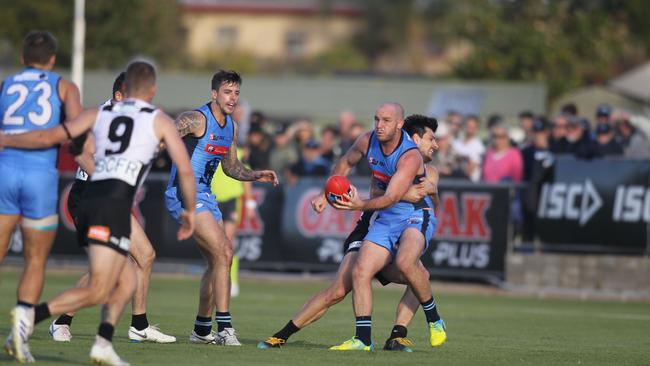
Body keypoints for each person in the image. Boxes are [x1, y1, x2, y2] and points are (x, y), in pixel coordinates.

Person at [1, 60, 196, 365]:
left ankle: (105, 342)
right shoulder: (158, 120)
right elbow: (184, 169)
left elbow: (50, 138)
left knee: (131, 275)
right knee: (99, 288)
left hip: (99, 199)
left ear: (125, 89)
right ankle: (31, 316)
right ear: (152, 90)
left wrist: (7, 139)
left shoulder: (97, 113)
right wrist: (191, 212)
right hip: (109, 201)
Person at [257, 112, 445, 352]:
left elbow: (432, 209)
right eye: (431, 139)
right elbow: (380, 194)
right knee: (338, 290)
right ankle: (283, 335)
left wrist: (432, 193)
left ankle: (397, 335)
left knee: (419, 275)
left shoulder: (430, 172)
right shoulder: (389, 151)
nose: (436, 145)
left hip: (401, 225)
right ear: (415, 139)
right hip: (374, 222)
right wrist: (326, 193)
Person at [48, 72, 176, 344]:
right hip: (91, 196)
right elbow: (81, 154)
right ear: (119, 95)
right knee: (110, 268)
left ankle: (139, 325)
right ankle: (55, 318)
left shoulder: (130, 117)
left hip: (111, 197)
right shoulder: (101, 116)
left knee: (143, 255)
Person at [164, 70, 278, 346]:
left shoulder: (231, 127)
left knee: (217, 262)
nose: (233, 98)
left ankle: (202, 330)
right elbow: (164, 133)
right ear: (214, 93)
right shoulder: (196, 119)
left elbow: (230, 167)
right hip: (184, 194)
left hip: (207, 197)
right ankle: (225, 327)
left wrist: (255, 174)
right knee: (226, 251)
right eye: (227, 92)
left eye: (236, 93)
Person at [0, 29, 82, 352]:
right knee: (34, 261)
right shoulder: (63, 85)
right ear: (52, 59)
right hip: (39, 175)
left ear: (22, 59)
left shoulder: (6, 85)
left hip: (4, 171)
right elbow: (76, 133)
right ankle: (20, 337)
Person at [210, 147, 255, 298]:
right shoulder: (211, 149)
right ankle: (215, 278)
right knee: (215, 243)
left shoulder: (240, 153)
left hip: (231, 199)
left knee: (228, 241)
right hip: (212, 198)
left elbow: (246, 177)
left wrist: (249, 203)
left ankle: (232, 280)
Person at [452, 115, 485, 182]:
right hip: (453, 181)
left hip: (469, 184)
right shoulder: (455, 143)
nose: (470, 128)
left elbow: (470, 170)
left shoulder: (479, 146)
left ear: (477, 128)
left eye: (473, 126)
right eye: (468, 125)